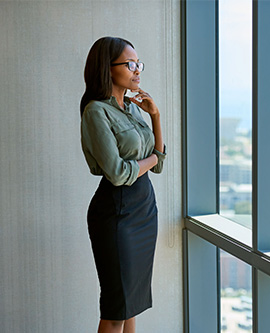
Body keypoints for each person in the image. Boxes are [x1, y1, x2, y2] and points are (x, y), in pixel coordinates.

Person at [80, 37, 166, 333]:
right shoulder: (96, 111)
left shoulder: (132, 107)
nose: (137, 70)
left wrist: (155, 116)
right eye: (130, 64)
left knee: (131, 305)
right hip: (117, 213)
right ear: (108, 68)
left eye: (138, 63)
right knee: (116, 310)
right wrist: (154, 159)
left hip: (144, 209)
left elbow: (158, 159)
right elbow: (117, 173)